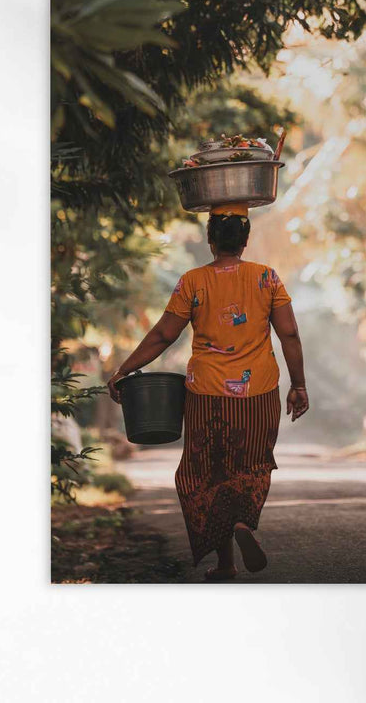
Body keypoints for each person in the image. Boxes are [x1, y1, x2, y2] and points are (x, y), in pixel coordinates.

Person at [107, 203, 308, 581]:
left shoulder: (193, 281)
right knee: (250, 466)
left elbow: (164, 335)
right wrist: (298, 385)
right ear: (246, 240)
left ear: (210, 240)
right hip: (259, 393)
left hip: (206, 394)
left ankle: (228, 561)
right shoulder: (268, 278)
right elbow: (290, 335)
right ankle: (242, 523)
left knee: (206, 475)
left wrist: (124, 370)